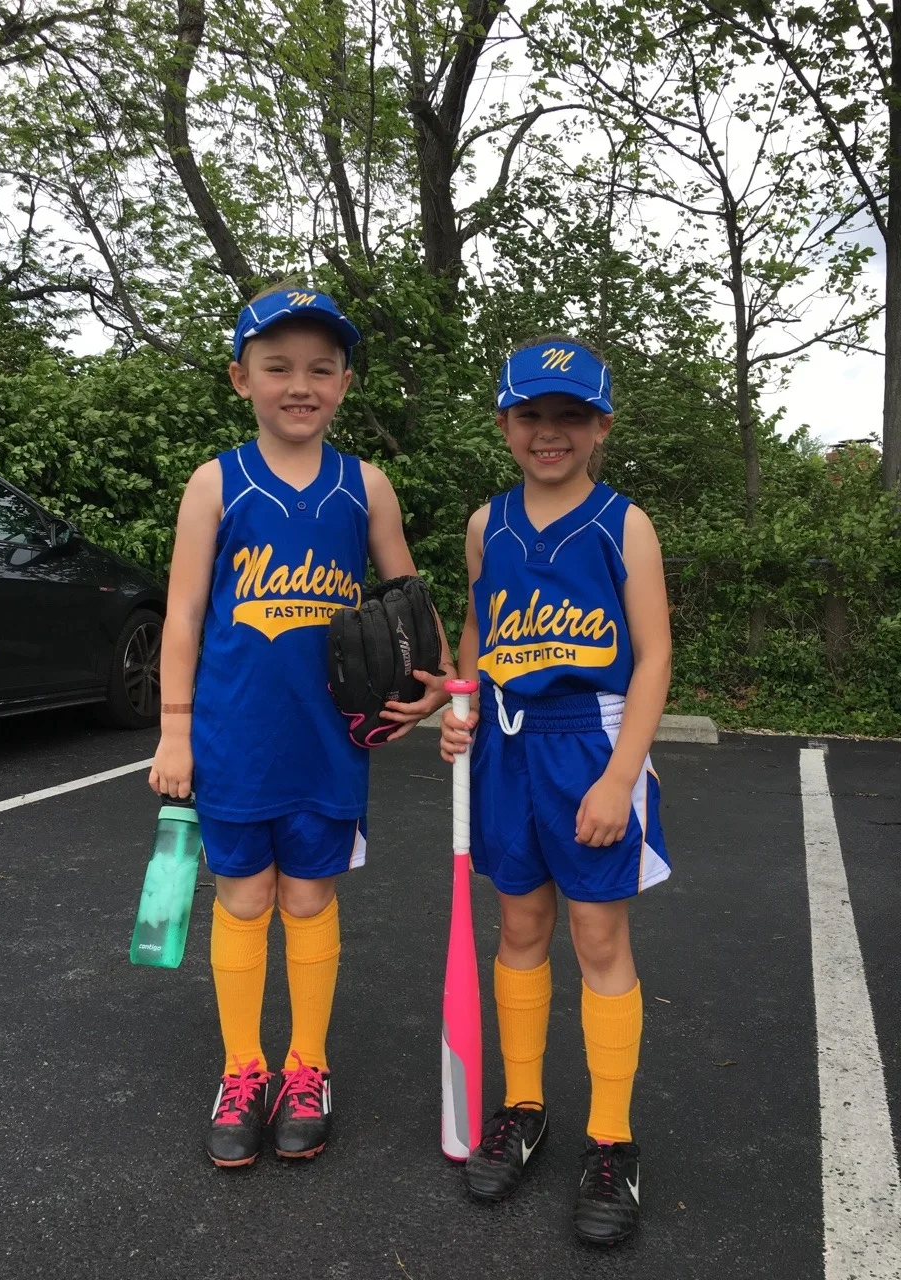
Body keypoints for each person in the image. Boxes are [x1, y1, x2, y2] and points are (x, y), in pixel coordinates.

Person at [149, 285, 453, 1168]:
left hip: (331, 738)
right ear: (242, 377)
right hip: (235, 733)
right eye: (278, 367)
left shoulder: (366, 485)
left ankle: (307, 1065)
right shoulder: (217, 481)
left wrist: (431, 684)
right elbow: (181, 614)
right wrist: (174, 731)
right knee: (244, 897)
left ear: (345, 383)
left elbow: (407, 598)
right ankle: (242, 1069)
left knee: (310, 897)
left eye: (321, 368)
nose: (299, 384)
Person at [440, 337, 671, 1244]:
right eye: (531, 414)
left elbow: (654, 659)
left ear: (600, 428)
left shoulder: (623, 524)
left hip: (592, 743)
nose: (549, 432)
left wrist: (621, 776)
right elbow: (477, 625)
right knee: (522, 928)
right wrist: (460, 703)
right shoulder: (484, 524)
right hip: (506, 744)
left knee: (596, 933)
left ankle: (612, 1140)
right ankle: (524, 1106)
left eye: (570, 416)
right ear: (504, 424)